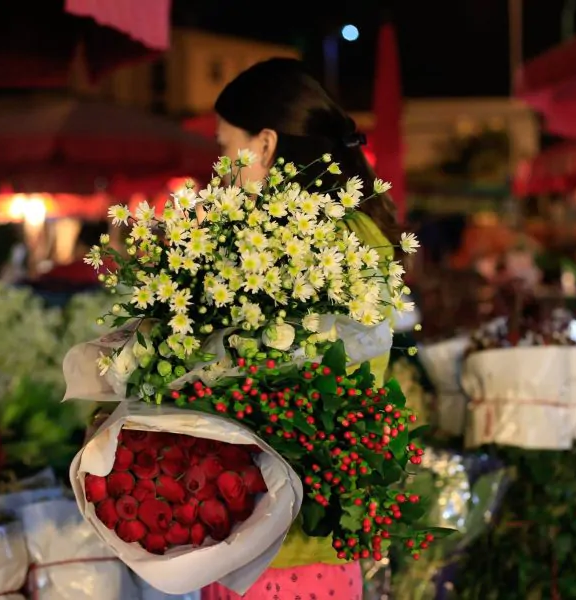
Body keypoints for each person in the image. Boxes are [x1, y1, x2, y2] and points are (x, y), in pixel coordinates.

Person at [202, 58, 401, 600]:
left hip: (275, 543)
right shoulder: (359, 225)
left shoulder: (297, 240)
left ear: (265, 145)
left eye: (226, 148)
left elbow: (262, 373)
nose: (223, 167)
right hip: (318, 533)